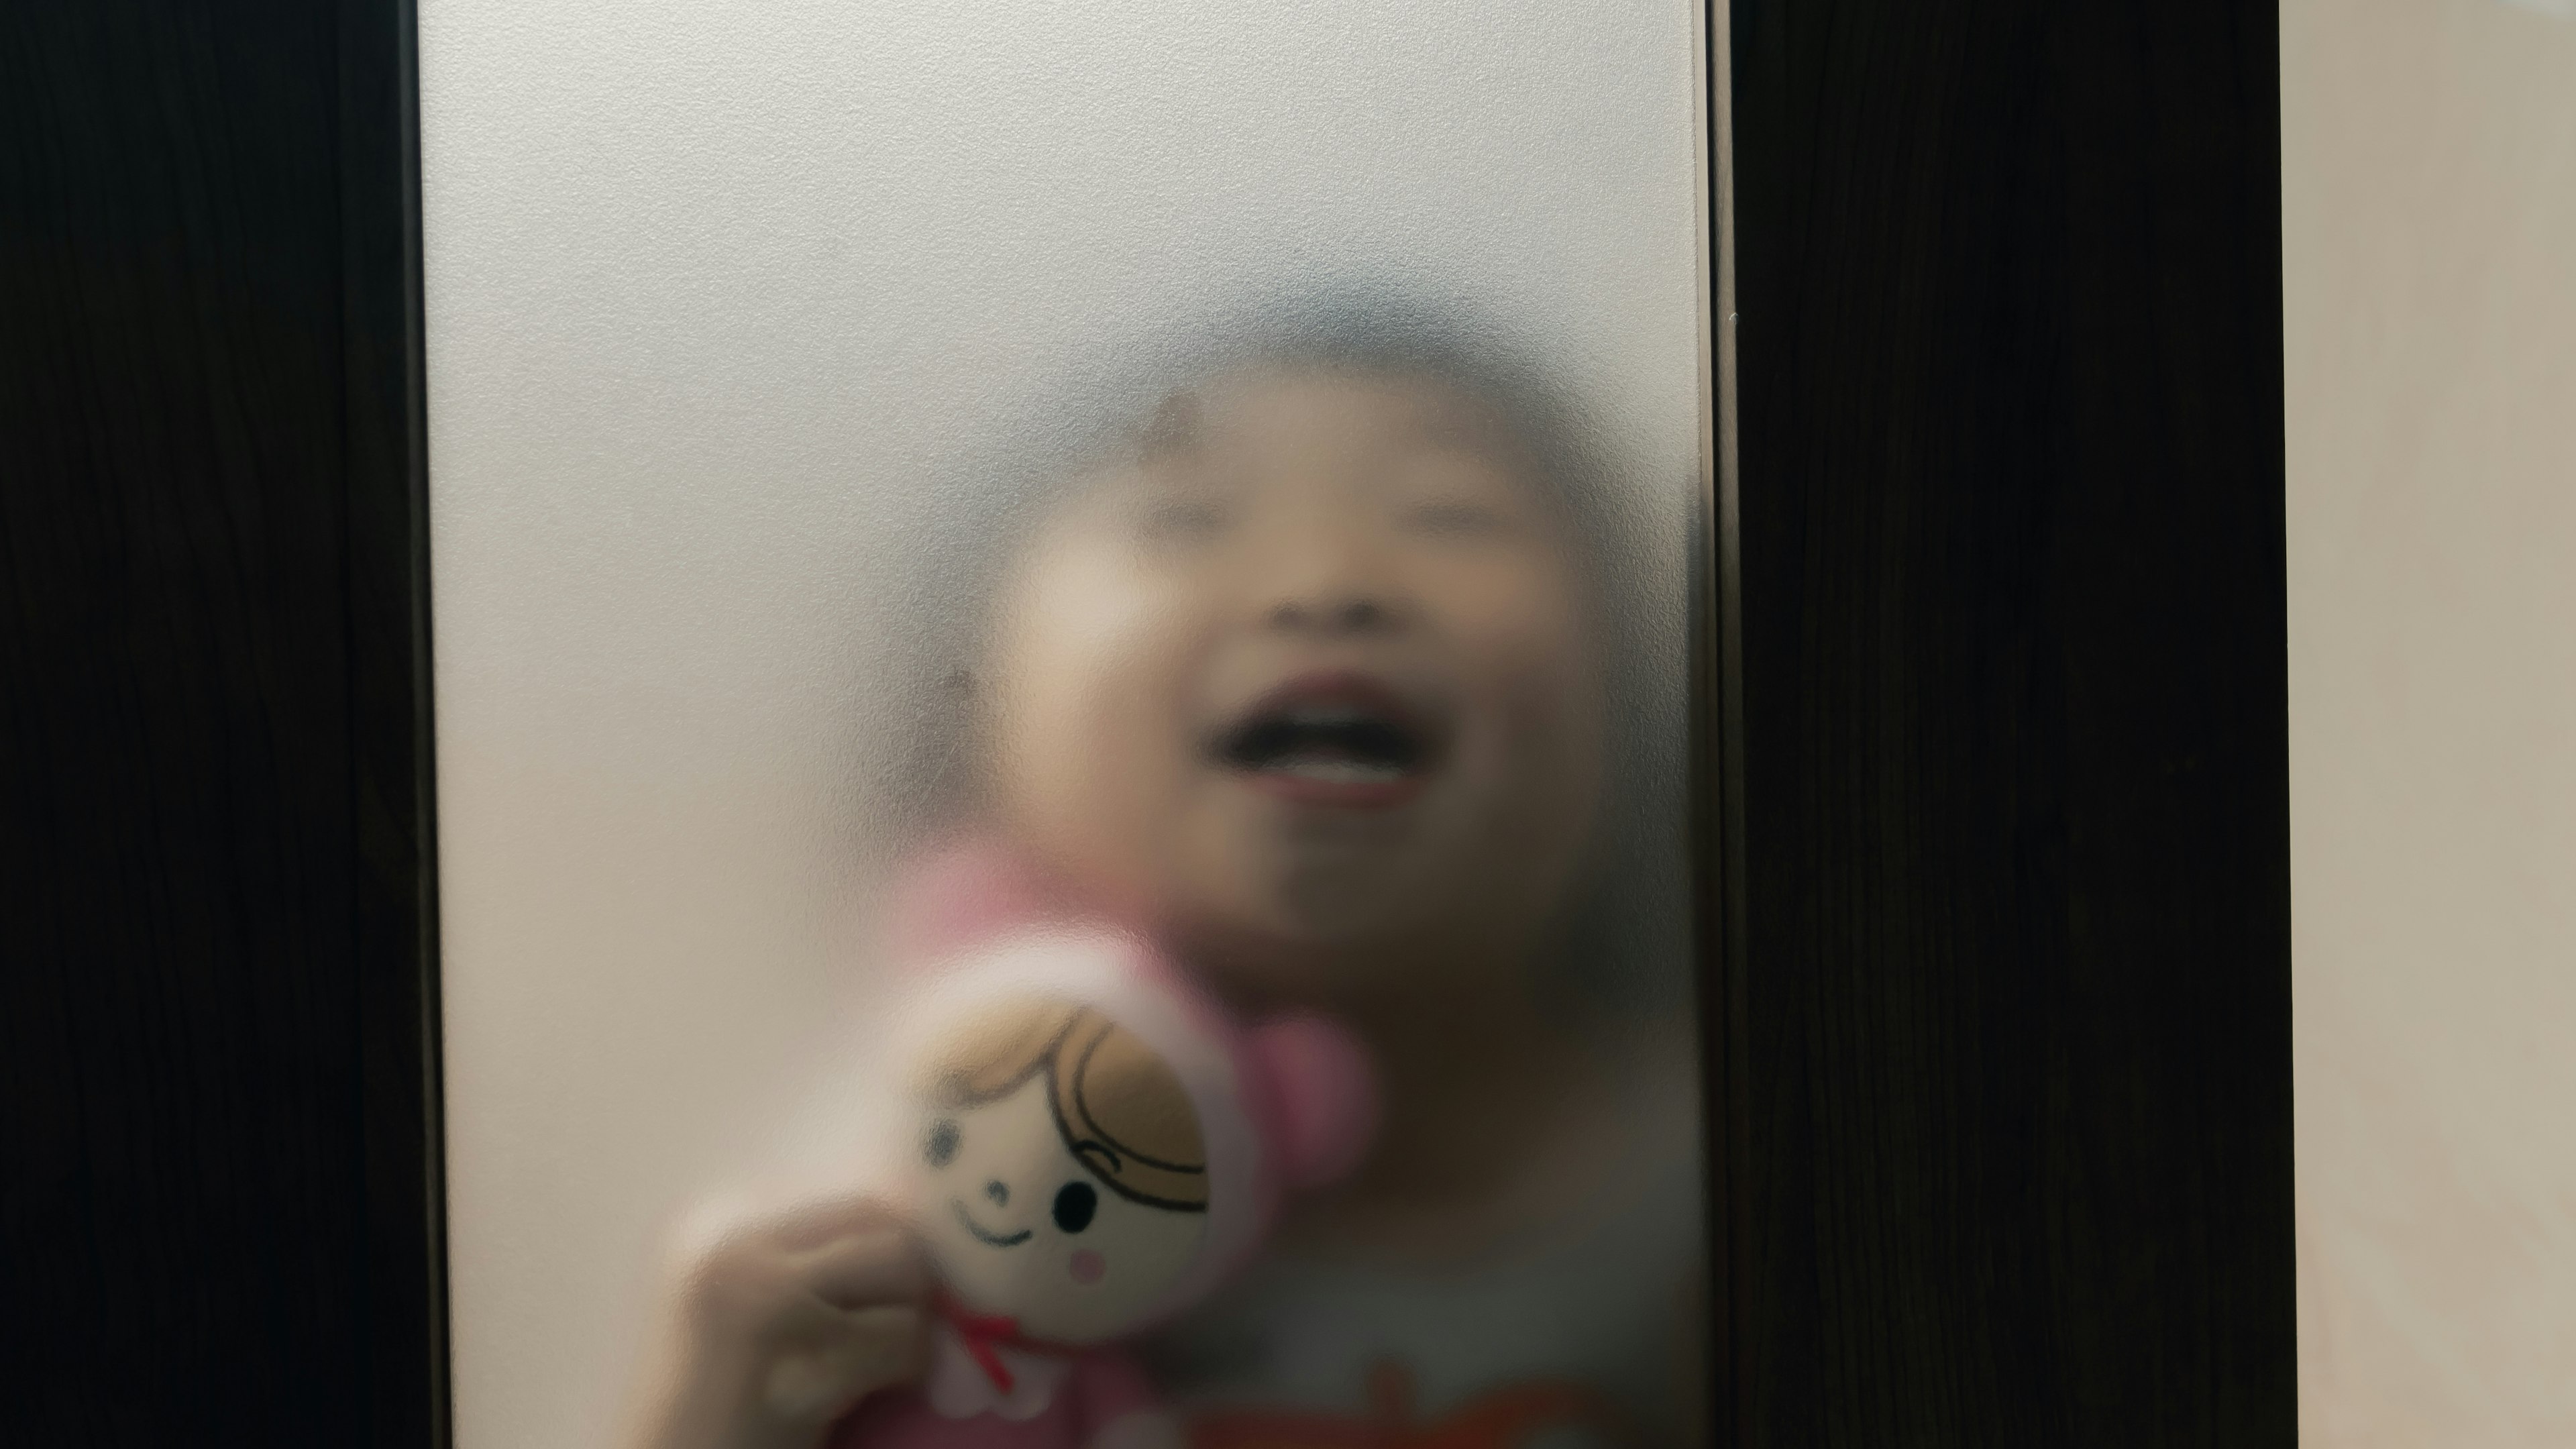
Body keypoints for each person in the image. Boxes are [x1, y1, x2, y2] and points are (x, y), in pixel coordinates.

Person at [619, 315, 1709, 1449]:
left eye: (1451, 513)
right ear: (977, 705)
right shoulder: (897, 1162)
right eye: (1184, 515)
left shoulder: (1713, 1182)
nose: (1326, 580)